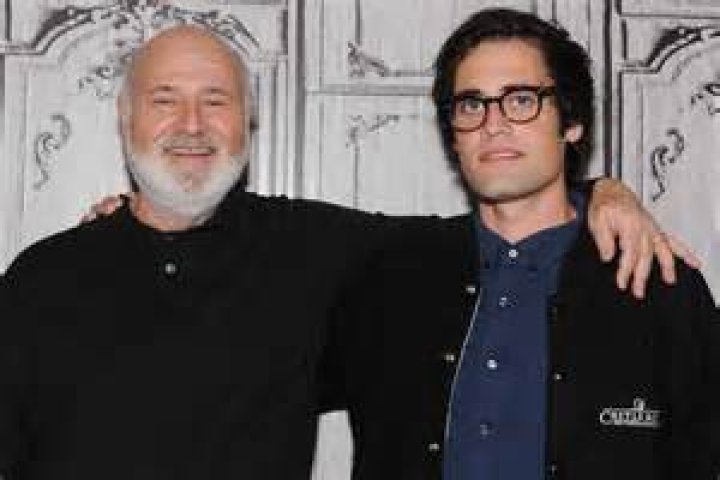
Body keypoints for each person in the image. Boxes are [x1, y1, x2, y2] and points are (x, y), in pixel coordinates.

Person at [0, 22, 697, 480]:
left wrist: (604, 191)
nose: (192, 124)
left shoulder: (320, 248)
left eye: (215, 100)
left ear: (249, 121)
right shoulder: (41, 278)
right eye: (163, 100)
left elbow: (514, 208)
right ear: (125, 119)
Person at [323, 8, 720, 480]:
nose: (493, 124)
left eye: (521, 100)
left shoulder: (657, 285)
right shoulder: (390, 276)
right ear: (453, 136)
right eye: (471, 105)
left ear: (572, 123)